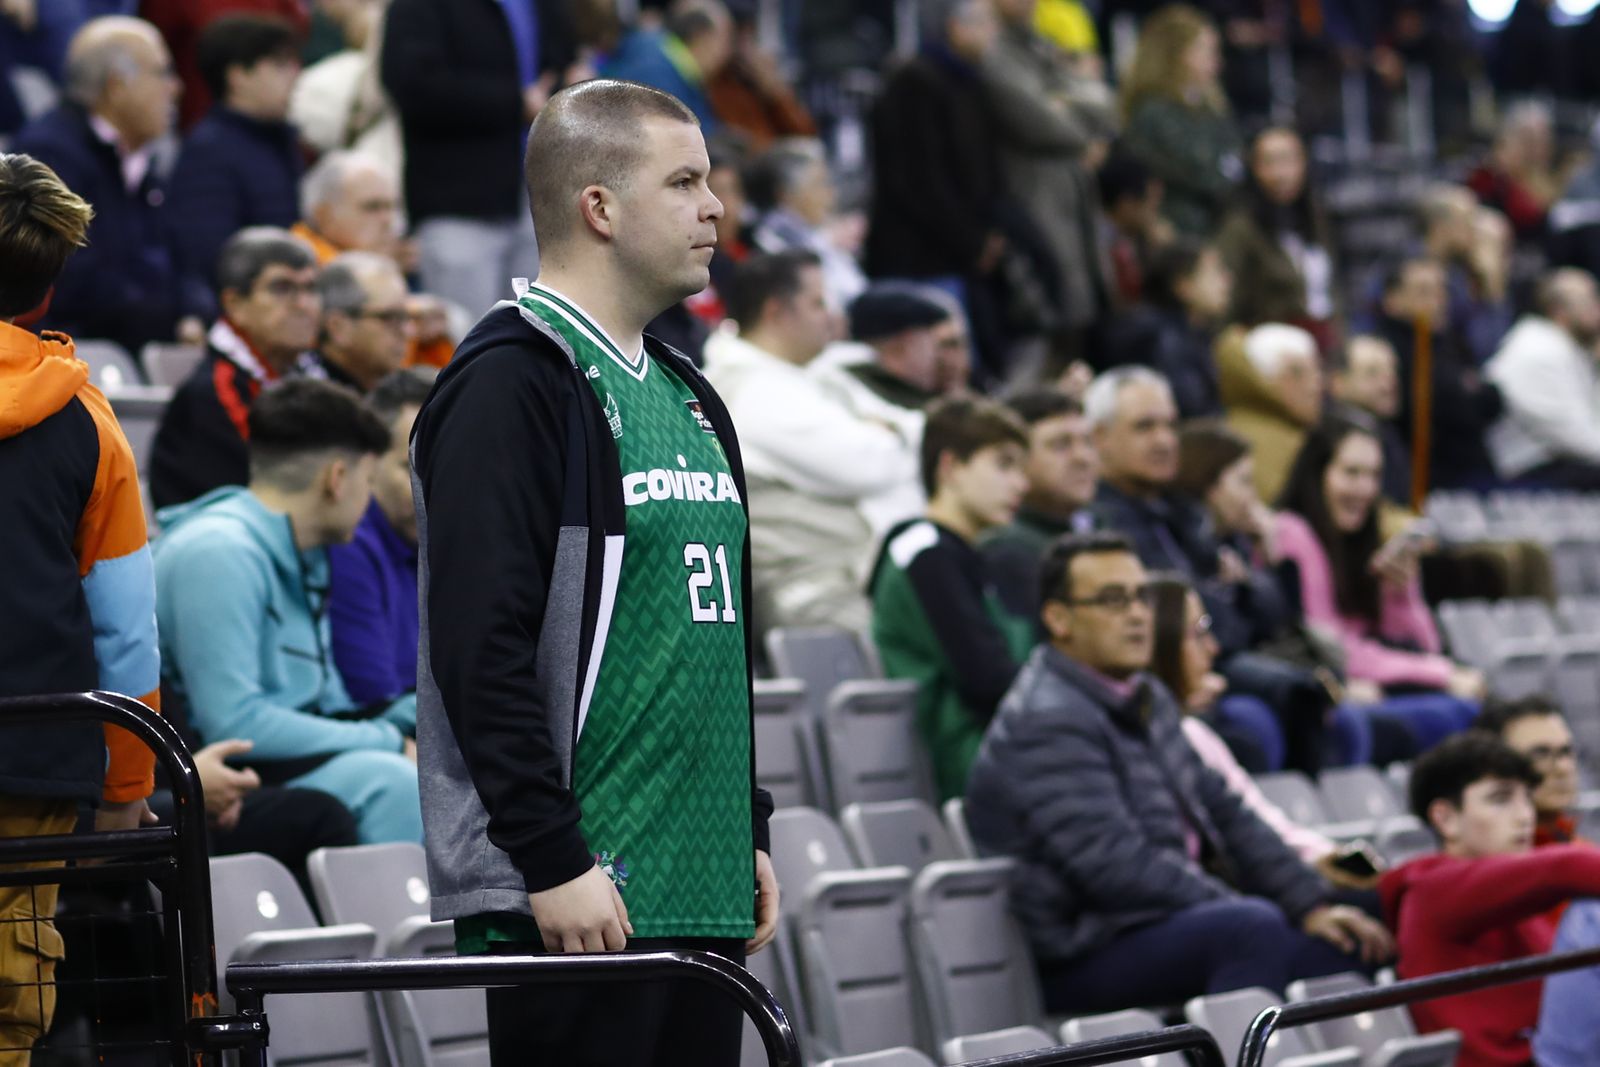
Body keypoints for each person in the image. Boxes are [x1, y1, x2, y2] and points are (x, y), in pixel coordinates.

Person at [409, 79, 778, 1067]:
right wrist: (550, 854)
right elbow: (476, 647)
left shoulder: (692, 391)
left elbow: (713, 630)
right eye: (686, 181)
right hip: (579, 890)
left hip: (695, 875)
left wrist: (746, 822)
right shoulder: (509, 379)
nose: (715, 207)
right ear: (600, 207)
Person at [965, 532, 1393, 1014]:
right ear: (1058, 619)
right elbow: (1117, 869)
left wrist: (1309, 905)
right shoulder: (1048, 720)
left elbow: (1225, 810)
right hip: (1086, 949)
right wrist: (1237, 901)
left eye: (1141, 596)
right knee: (1250, 928)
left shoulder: (1145, 695)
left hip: (1159, 920)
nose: (1136, 614)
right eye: (1111, 600)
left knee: (1368, 917)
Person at [0, 151, 161, 1060]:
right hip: (31, 759)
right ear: (50, 285)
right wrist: (129, 783)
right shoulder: (88, 423)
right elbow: (125, 625)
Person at [153, 378, 420, 844]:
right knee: (394, 783)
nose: (368, 501)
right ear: (337, 479)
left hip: (285, 762)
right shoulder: (218, 552)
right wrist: (387, 740)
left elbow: (329, 705)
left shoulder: (305, 551)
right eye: (368, 481)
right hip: (234, 773)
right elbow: (234, 723)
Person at [704, 250, 916, 634]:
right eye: (817, 303)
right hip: (815, 593)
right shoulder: (753, 392)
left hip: (853, 576)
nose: (831, 316)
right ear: (775, 313)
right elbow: (872, 465)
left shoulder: (805, 371)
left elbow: (912, 431)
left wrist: (890, 432)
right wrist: (885, 433)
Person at [1147, 576, 1383, 888]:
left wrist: (1321, 856)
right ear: (1160, 646)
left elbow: (1259, 823)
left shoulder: (1194, 732)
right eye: (1198, 633)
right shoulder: (1169, 740)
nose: (1214, 648)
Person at [1381, 733, 1600, 1067]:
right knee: (1591, 918)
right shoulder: (1431, 888)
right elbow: (1565, 867)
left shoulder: (1513, 898)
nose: (1524, 816)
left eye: (1527, 799)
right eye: (1501, 800)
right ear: (1445, 818)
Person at [1275, 414, 1483, 749]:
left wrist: (1403, 595)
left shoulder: (1362, 537)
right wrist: (1440, 674)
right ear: (1317, 474)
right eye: (1351, 473)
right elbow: (1332, 647)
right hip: (1335, 687)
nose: (1365, 489)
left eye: (1373, 475)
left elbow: (1424, 645)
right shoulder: (1292, 533)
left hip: (1375, 683)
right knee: (1460, 714)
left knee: (1473, 710)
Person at [870, 395, 1035, 802]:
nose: (1021, 484)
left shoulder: (965, 553)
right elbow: (987, 679)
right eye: (1004, 464)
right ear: (950, 468)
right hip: (966, 758)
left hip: (1003, 747)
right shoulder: (924, 552)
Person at [380, 0, 577, 316]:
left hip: (537, 203)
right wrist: (514, 103)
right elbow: (412, 83)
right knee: (465, 342)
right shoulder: (421, 7)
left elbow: (561, 60)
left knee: (535, 340)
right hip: (457, 205)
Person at [12, 16, 189, 353]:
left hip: (132, 341)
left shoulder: (137, 159)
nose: (175, 88)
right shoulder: (50, 156)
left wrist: (193, 312)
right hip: (71, 349)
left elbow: (177, 259)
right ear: (117, 85)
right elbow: (70, 279)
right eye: (162, 73)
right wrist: (169, 318)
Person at [864, 0, 1012, 371]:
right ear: (956, 27)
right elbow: (917, 182)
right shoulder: (914, 83)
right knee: (941, 368)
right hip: (923, 260)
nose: (994, 35)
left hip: (958, 254)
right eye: (985, 24)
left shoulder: (968, 81)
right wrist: (972, 241)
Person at [148, 227, 322, 508]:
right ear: (235, 304)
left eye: (311, 288)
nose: (304, 305)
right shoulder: (212, 393)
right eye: (282, 288)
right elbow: (273, 494)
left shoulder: (312, 375)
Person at [981, 0, 1116, 351]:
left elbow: (1105, 103)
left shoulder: (1039, 42)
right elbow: (1041, 122)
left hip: (1072, 199)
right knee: (1046, 325)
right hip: (1030, 198)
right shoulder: (992, 52)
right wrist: (1072, 115)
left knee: (1082, 322)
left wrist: (1063, 101)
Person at [166, 14, 304, 322]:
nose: (296, 75)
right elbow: (210, 257)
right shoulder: (209, 153)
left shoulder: (281, 141)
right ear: (238, 75)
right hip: (247, 316)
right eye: (280, 65)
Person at [329, 368, 432, 706]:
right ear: (369, 464)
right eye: (415, 468)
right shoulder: (349, 543)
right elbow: (376, 697)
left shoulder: (456, 543)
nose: (438, 489)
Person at [1374, 257, 1504, 492]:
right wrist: (1465, 394)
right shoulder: (1386, 351)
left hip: (1477, 475)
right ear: (1392, 300)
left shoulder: (1451, 341)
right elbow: (1438, 407)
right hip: (1427, 483)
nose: (1438, 301)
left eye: (1442, 291)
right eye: (1424, 292)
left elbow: (1494, 399)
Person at [1119, 4, 1240, 237]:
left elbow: (1234, 155)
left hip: (1220, 221)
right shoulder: (1153, 111)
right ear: (1177, 54)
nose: (1216, 62)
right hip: (1180, 226)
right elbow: (1203, 172)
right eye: (1207, 51)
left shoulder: (1211, 106)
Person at [981, 386, 1099, 620]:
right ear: (1015, 458)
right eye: (1061, 445)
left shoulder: (1101, 525)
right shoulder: (1006, 551)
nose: (1082, 457)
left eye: (1087, 442)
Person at [1215, 125, 1336, 336]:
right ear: (1253, 168)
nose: (1280, 174)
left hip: (1323, 339)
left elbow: (1332, 291)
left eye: (1288, 160)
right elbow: (1224, 300)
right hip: (1272, 345)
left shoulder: (1316, 218)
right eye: (1269, 162)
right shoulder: (1241, 228)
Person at [1485, 268, 1600, 489]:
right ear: (1559, 311)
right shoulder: (1539, 350)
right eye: (1589, 300)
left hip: (1557, 462)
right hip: (1524, 473)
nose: (1598, 309)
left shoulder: (1567, 347)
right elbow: (1576, 437)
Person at [1103, 237, 1231, 417]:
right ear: (1183, 286)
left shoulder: (1195, 333)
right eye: (1215, 272)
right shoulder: (1160, 338)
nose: (1227, 281)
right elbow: (1190, 410)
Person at [745, 138, 867, 312]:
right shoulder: (774, 245)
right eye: (819, 184)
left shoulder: (815, 235)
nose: (830, 194)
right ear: (785, 194)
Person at [1218, 322, 1323, 504]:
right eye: (1297, 373)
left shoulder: (1296, 431)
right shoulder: (1247, 441)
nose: (1315, 386)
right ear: (1262, 379)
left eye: (1317, 371)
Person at [600, 1, 732, 134]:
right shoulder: (663, 83)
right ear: (702, 37)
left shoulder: (649, 42)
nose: (728, 52)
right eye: (726, 40)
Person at [1475, 696, 1588, 849]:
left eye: (1566, 751)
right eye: (1540, 753)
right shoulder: (1485, 861)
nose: (1563, 767)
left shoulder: (1583, 850)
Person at [310, 252, 412, 393]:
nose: (408, 331)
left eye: (406, 317)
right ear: (338, 328)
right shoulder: (309, 400)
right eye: (390, 318)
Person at [1329, 334, 1411, 506]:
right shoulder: (1332, 441)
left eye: (1392, 372)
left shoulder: (1385, 430)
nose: (1388, 385)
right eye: (1372, 373)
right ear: (1338, 382)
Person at [291, 150, 405, 267]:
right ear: (324, 216)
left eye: (391, 207)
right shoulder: (298, 275)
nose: (387, 220)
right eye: (372, 207)